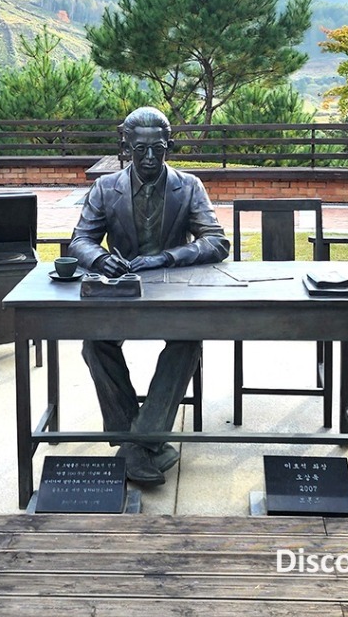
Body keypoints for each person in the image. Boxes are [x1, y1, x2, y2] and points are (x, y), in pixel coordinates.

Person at [68, 106, 230, 486]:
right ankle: (143, 444)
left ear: (169, 145)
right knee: (95, 344)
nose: (150, 158)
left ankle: (137, 443)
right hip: (123, 294)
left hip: (175, 294)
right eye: (140, 150)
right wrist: (101, 258)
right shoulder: (106, 188)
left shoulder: (189, 186)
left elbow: (217, 241)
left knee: (187, 344)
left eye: (157, 149)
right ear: (126, 146)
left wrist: (167, 257)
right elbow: (80, 241)